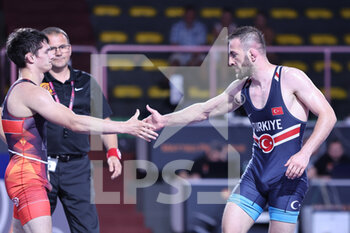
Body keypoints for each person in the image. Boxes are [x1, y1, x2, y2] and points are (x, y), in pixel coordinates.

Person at [144, 26, 336, 233]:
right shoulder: (241, 88)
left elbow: (329, 115)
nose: (229, 62)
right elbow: (203, 111)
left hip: (287, 178)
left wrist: (304, 154)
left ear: (252, 54)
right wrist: (164, 120)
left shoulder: (290, 78)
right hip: (255, 176)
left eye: (233, 54)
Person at [1, 28, 157, 233]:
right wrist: (125, 126)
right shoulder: (31, 92)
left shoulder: (26, 89)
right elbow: (74, 122)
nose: (53, 54)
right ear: (31, 57)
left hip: (35, 172)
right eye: (47, 50)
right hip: (29, 176)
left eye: (59, 48)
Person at [40, 27, 117, 233]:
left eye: (62, 47)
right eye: (52, 48)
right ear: (44, 52)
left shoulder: (86, 81)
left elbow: (105, 120)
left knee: (87, 229)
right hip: (41, 166)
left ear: (70, 49)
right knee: (33, 228)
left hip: (77, 167)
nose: (58, 52)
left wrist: (112, 152)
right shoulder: (35, 82)